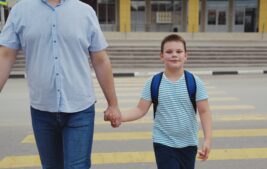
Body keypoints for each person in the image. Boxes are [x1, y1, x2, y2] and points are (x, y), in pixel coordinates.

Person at [0, 0, 121, 168]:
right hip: (42, 109)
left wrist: (113, 104)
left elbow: (100, 59)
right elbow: (5, 55)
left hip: (80, 109)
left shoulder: (85, 12)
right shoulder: (20, 11)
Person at [106, 34, 212, 169]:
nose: (174, 55)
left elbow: (204, 111)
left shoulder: (195, 82)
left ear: (186, 55)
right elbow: (140, 110)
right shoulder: (154, 82)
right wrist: (119, 117)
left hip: (189, 144)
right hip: (163, 143)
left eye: (179, 51)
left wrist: (207, 140)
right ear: (161, 56)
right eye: (169, 52)